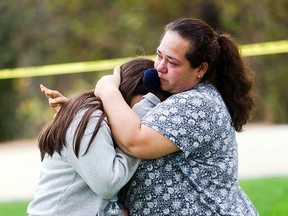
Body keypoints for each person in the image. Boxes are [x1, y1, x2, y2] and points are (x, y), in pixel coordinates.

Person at [94, 18, 259, 215]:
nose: (160, 67)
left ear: (200, 69)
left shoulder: (198, 103)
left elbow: (134, 141)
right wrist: (78, 110)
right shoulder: (171, 94)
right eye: (159, 55)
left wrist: (107, 89)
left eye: (172, 62)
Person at [27, 58, 169, 216]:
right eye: (149, 104)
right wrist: (138, 126)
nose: (151, 117)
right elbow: (108, 184)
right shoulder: (88, 118)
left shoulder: (95, 120)